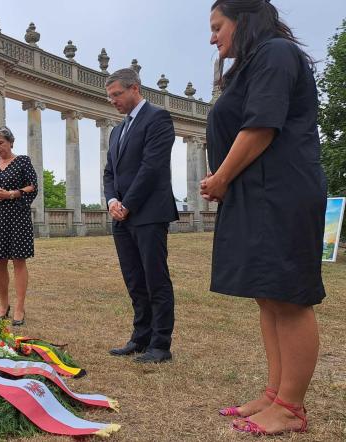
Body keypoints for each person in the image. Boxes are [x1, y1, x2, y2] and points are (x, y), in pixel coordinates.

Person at [203, 0, 326, 435]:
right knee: (267, 293)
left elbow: (261, 127)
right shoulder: (255, 62)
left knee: (289, 296)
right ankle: (275, 393)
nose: (213, 37)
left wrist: (220, 178)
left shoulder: (275, 53)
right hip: (256, 192)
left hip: (282, 190)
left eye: (218, 26)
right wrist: (225, 180)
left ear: (243, 19)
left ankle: (291, 407)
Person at [103, 68, 178, 363]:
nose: (113, 101)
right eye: (110, 97)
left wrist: (127, 204)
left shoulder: (158, 118)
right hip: (121, 216)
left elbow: (152, 167)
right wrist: (111, 200)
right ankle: (140, 337)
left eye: (117, 94)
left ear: (135, 89)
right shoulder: (117, 130)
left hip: (148, 213)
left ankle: (160, 344)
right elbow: (110, 171)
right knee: (134, 280)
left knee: (155, 278)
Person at [0, 126, 37, 326]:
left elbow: (32, 186)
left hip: (18, 216)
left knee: (19, 261)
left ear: (11, 142)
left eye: (1, 143)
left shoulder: (23, 161)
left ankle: (20, 307)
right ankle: (3, 306)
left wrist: (10, 194)